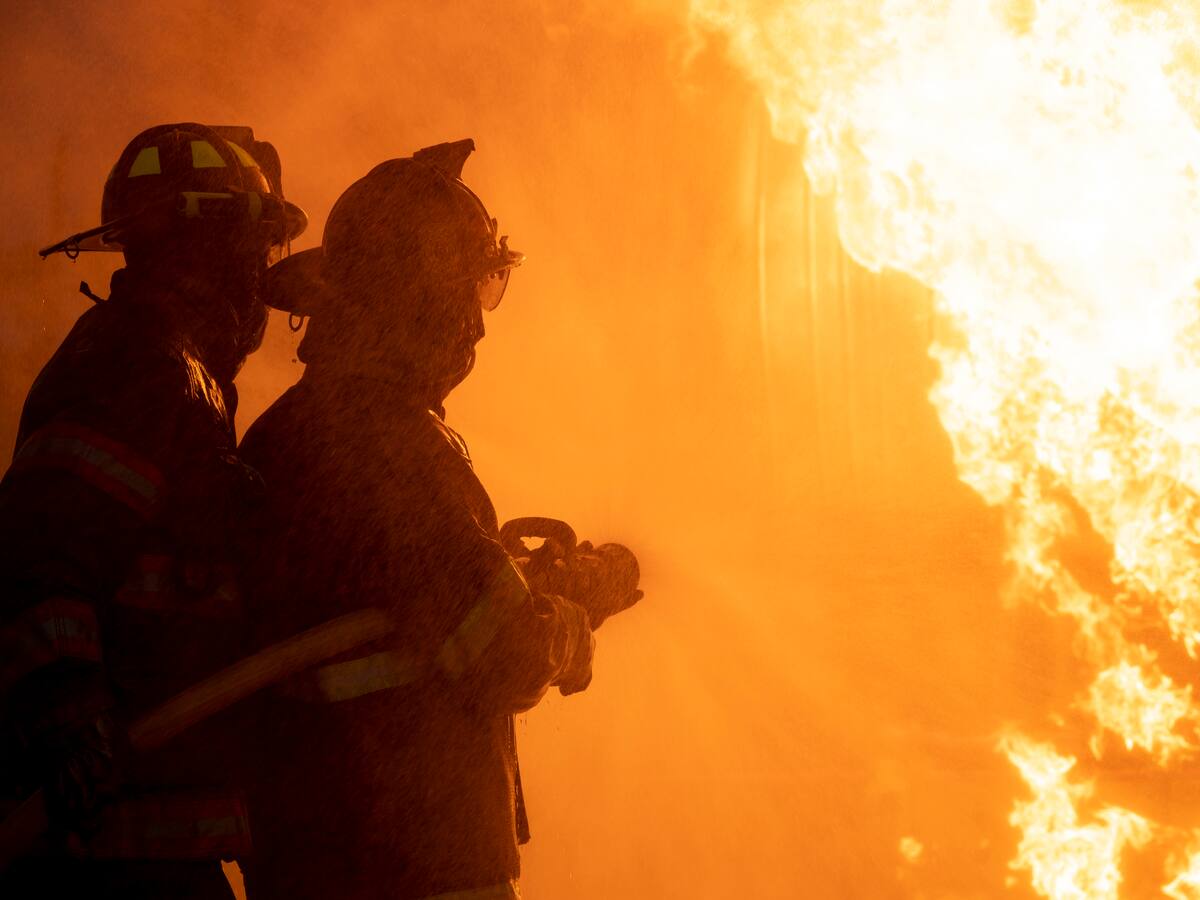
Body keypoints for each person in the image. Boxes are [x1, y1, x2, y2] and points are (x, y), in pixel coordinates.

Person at [239, 139, 642, 900]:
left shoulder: (291, 434)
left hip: (318, 859)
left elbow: (413, 607)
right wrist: (573, 611)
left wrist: (523, 580)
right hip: (414, 862)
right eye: (468, 293)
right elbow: (501, 650)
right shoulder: (389, 445)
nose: (479, 328)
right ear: (413, 300)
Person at [0, 122, 306, 898]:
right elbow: (40, 549)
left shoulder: (177, 373)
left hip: (157, 836)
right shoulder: (141, 364)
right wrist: (68, 713)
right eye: (257, 248)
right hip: (108, 852)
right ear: (214, 244)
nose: (262, 279)